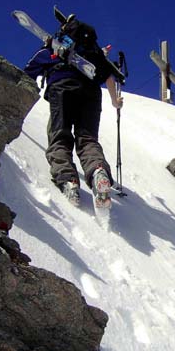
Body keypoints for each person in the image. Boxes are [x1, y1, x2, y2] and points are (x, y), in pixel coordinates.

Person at [24, 14, 123, 207]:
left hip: (62, 87)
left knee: (59, 135)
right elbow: (108, 75)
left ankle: (68, 179)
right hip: (91, 92)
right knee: (87, 139)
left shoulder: (54, 46)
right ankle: (98, 171)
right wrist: (114, 100)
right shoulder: (94, 52)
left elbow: (29, 70)